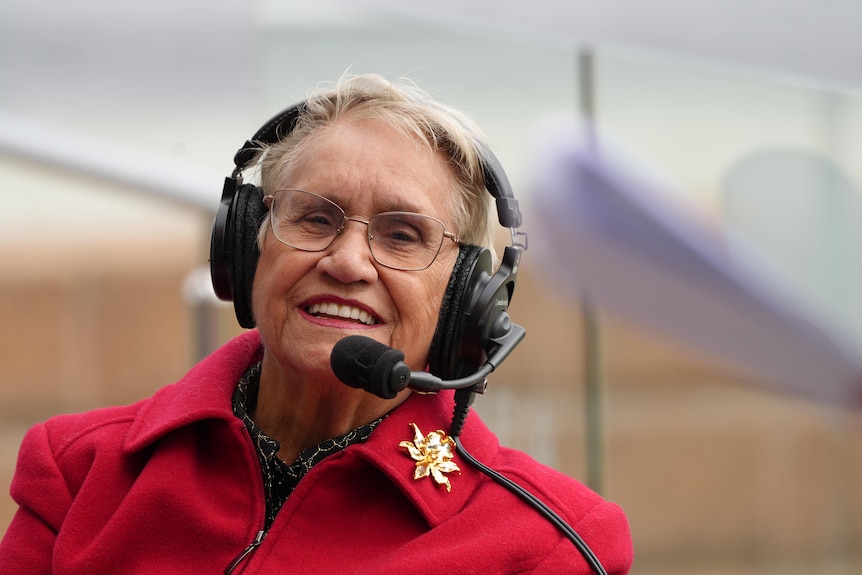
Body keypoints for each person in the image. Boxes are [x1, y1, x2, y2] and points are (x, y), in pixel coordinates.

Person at [0, 74, 633, 574]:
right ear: (246, 245)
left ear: (465, 299)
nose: (349, 261)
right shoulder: (80, 473)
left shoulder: (549, 544)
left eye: (403, 235)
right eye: (315, 219)